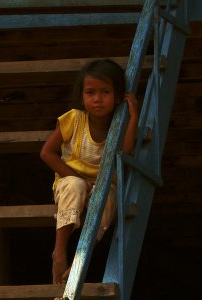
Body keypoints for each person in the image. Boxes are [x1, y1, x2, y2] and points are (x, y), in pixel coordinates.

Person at [40, 59, 138, 284]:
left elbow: (126, 152)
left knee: (108, 197)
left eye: (105, 92)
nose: (97, 99)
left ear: (118, 95)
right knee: (74, 186)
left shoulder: (119, 123)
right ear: (82, 95)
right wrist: (77, 177)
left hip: (102, 186)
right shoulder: (74, 119)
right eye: (90, 92)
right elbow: (47, 153)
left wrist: (133, 118)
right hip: (70, 180)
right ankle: (60, 252)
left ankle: (80, 258)